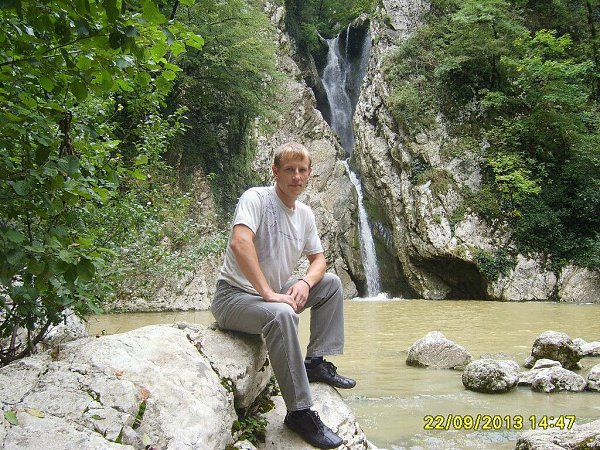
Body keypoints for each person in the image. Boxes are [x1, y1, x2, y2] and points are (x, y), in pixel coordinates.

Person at [211, 142, 356, 449]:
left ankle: (314, 362)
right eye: (289, 169)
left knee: (329, 283)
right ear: (275, 171)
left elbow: (319, 260)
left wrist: (304, 282)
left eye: (302, 170)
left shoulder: (304, 214)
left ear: (310, 173)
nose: (296, 177)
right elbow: (240, 243)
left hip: (270, 296)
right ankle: (300, 411)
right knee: (282, 313)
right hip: (233, 298)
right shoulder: (256, 198)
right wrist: (267, 292)